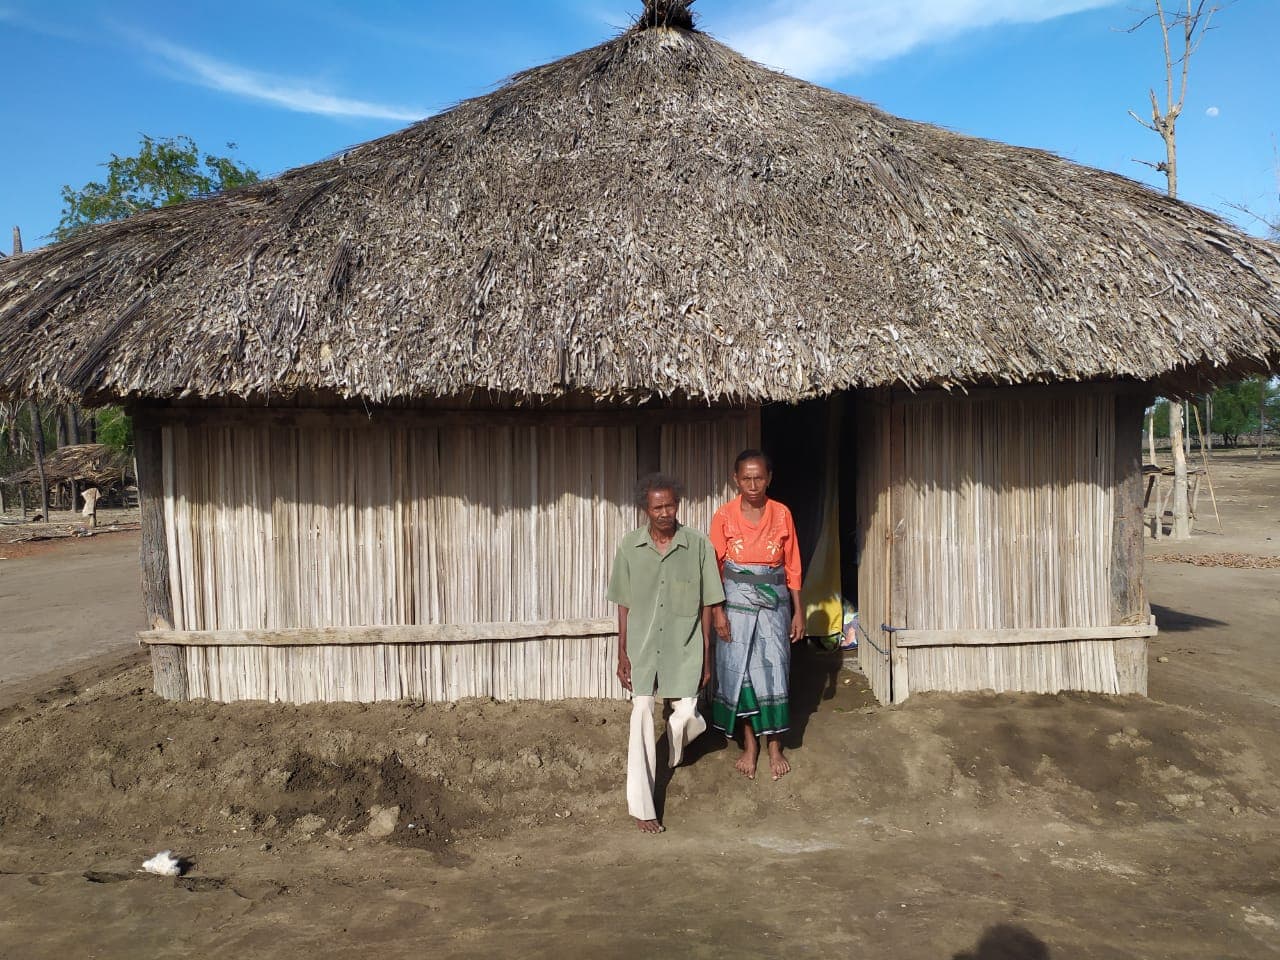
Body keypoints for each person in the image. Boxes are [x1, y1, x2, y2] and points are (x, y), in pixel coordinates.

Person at [607, 473, 725, 833]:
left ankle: (675, 746)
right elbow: (624, 605)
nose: (664, 513)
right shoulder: (629, 547)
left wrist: (707, 655)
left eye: (670, 505)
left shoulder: (698, 545)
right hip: (643, 648)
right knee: (641, 712)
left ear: (678, 505)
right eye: (657, 506)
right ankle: (644, 807)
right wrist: (622, 651)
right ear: (646, 507)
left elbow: (708, 602)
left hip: (684, 646)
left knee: (688, 714)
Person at [709, 450, 804, 781]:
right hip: (735, 601)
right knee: (742, 673)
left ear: (769, 478)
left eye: (759, 477)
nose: (753, 484)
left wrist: (798, 611)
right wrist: (718, 612)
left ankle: (775, 745)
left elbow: (792, 564)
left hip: (775, 602)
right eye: (746, 478)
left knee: (775, 669)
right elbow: (714, 570)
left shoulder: (781, 514)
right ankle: (750, 746)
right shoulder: (723, 516)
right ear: (735, 479)